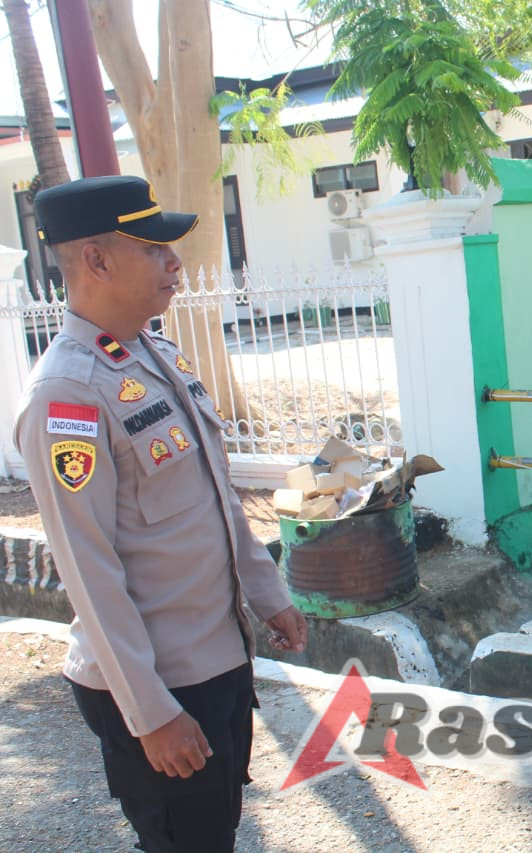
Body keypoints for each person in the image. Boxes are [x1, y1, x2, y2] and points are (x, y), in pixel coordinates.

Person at [14, 175, 308, 853]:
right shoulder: (67, 393)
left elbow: (214, 493)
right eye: (153, 249)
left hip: (216, 653)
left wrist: (267, 593)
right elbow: (87, 570)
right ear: (96, 260)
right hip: (160, 680)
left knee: (213, 831)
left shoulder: (152, 355)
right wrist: (149, 714)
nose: (174, 262)